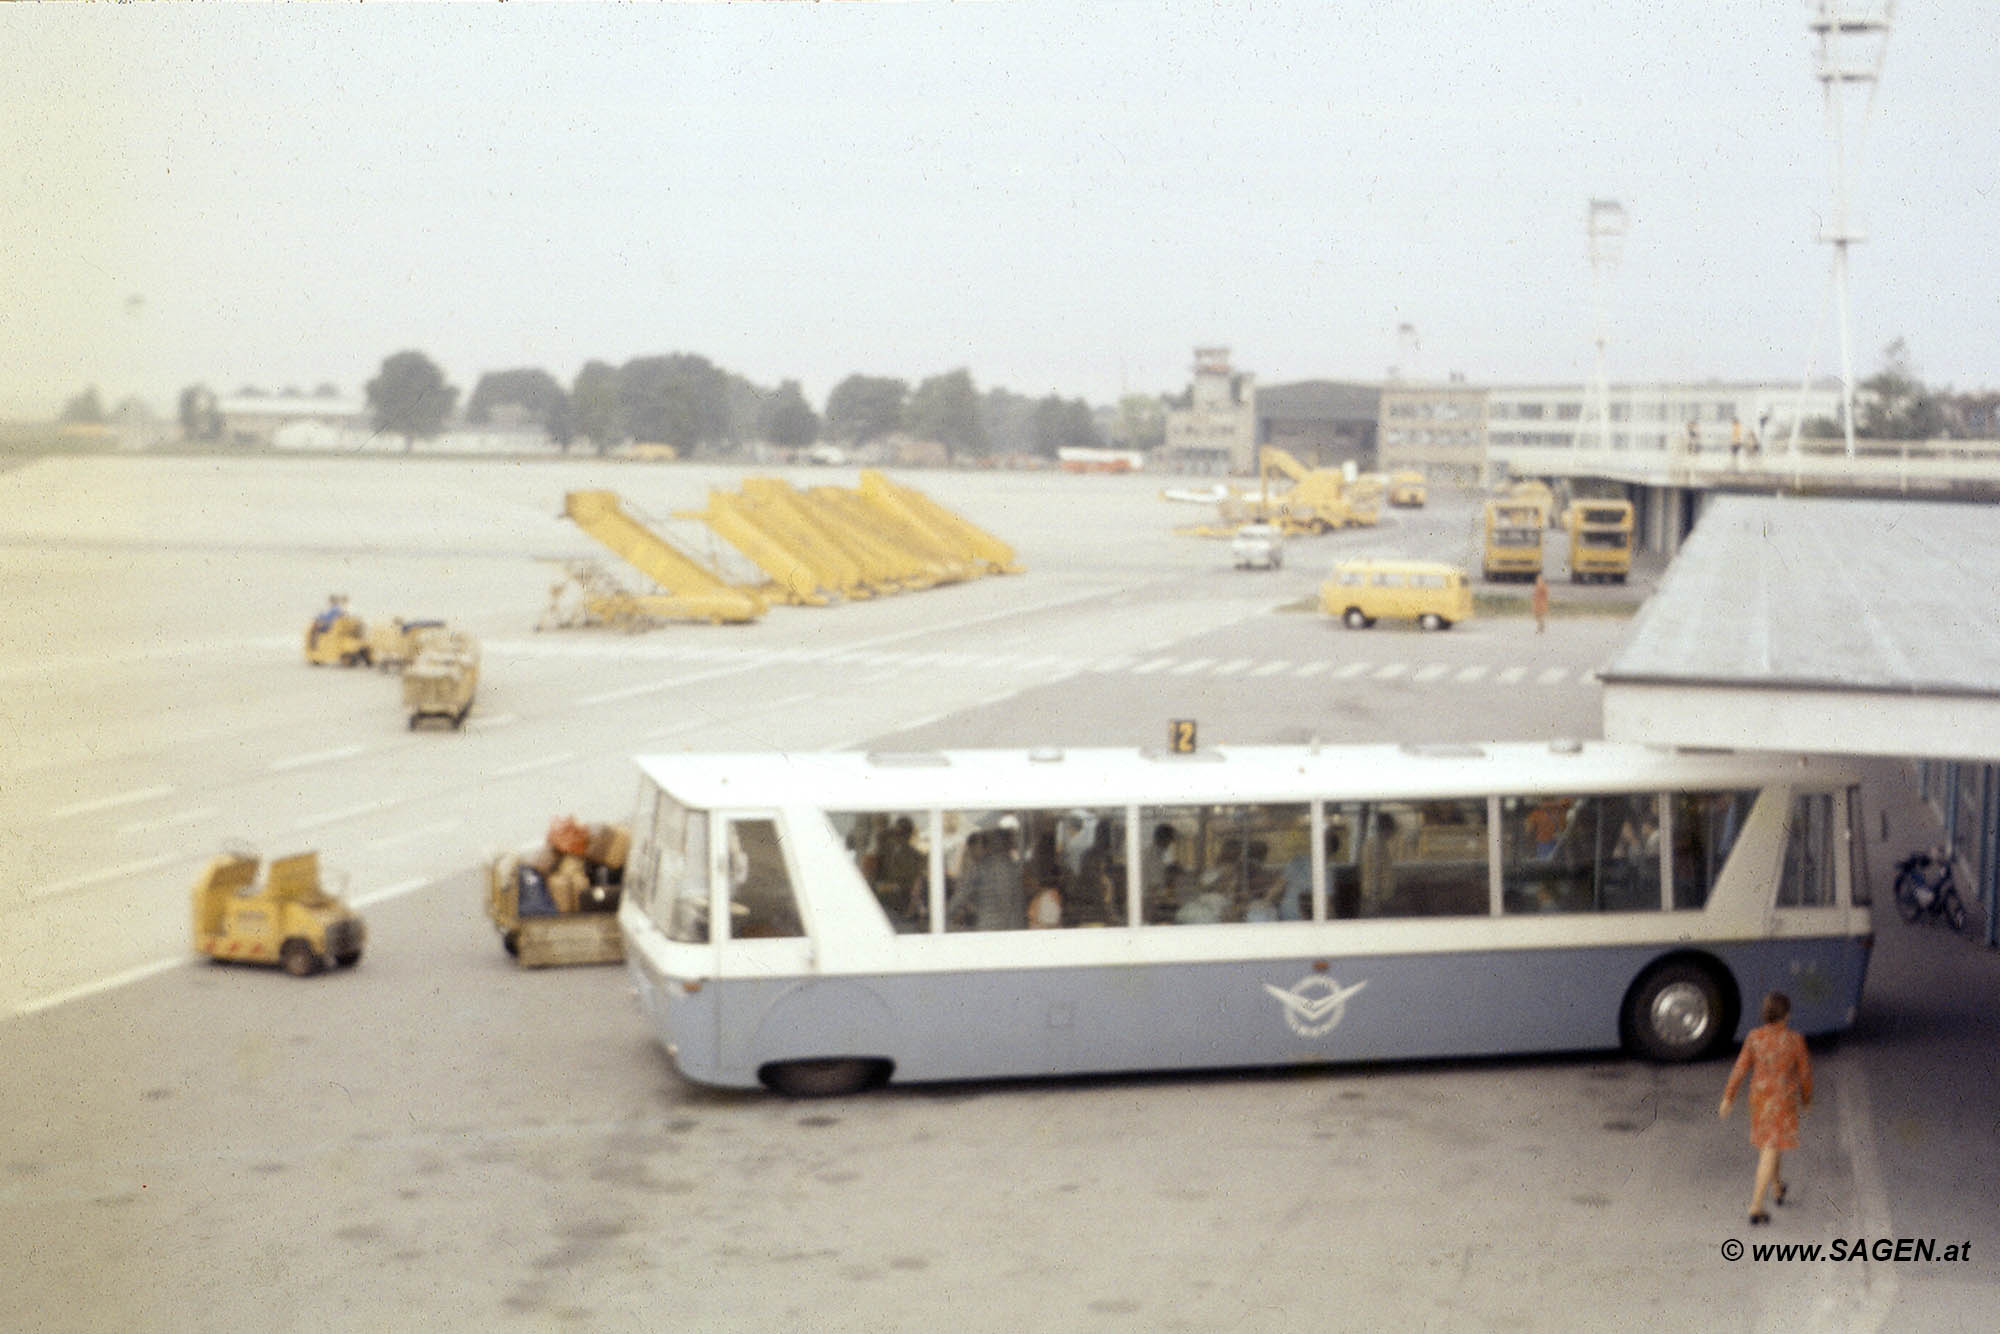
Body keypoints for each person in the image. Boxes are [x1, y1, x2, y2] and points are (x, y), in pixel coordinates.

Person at [1719, 992, 1814, 1226]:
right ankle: (1756, 1206)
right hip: (1783, 1101)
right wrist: (1806, 1099)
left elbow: (1740, 1068)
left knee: (1772, 1143)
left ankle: (1777, 1186)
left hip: (1760, 1100)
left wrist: (1728, 1097)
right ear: (1787, 1015)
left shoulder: (1754, 1037)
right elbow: (1805, 1074)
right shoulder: (1795, 1040)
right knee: (1771, 1147)